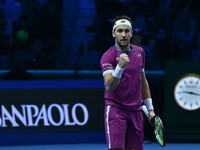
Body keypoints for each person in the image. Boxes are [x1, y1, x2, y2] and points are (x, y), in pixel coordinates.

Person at [100, 15, 155, 150]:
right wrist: (119, 67)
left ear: (131, 33)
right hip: (115, 110)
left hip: (136, 111)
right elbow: (109, 86)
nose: (123, 35)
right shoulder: (108, 56)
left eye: (126, 31)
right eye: (119, 31)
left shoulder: (140, 52)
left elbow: (143, 81)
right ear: (113, 33)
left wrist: (150, 109)